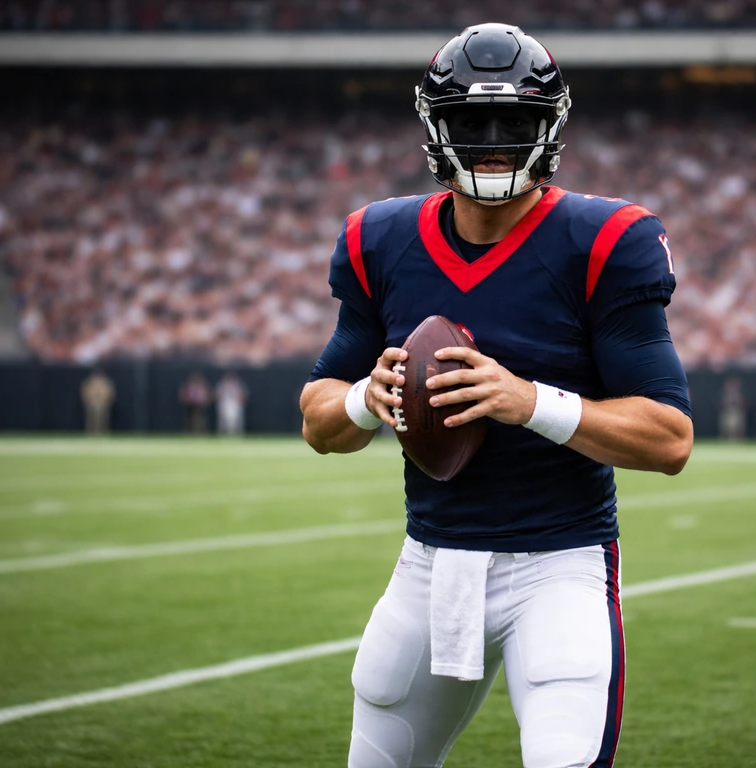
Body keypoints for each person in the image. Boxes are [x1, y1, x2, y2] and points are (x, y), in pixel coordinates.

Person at [299, 24, 693, 768]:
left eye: (514, 123)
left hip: (559, 567)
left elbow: (669, 438)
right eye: (468, 122)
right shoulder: (378, 238)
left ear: (549, 128)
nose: (491, 142)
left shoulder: (605, 237)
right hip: (429, 566)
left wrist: (526, 401)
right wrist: (365, 401)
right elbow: (320, 417)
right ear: (432, 126)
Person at [80, 367, 115, 435]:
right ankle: (90, 433)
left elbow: (110, 392)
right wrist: (88, 401)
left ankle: (102, 433)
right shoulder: (89, 382)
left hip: (103, 403)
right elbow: (85, 392)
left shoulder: (106, 382)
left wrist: (106, 401)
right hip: (92, 403)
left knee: (103, 420)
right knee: (91, 420)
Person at [215, 371, 248, 436]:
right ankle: (223, 435)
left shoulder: (239, 385)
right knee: (223, 421)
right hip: (224, 404)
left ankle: (237, 434)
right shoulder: (221, 385)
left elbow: (244, 396)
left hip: (236, 405)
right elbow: (217, 396)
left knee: (237, 421)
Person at [718, 376, 748, 440]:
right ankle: (724, 439)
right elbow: (720, 405)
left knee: (739, 417)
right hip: (727, 414)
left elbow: (744, 405)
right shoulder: (723, 394)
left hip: (737, 414)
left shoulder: (741, 394)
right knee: (726, 418)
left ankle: (740, 439)